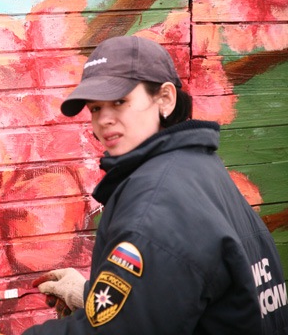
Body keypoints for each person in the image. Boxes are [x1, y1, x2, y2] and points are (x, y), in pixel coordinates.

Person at [22, 36, 288, 334]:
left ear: (165, 99)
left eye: (119, 101)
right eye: (95, 108)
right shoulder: (196, 166)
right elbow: (184, 291)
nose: (104, 120)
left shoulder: (154, 206)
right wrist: (92, 296)